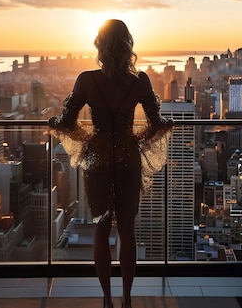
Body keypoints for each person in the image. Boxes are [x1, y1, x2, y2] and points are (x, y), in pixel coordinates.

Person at [48, 19, 173, 308]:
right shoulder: (140, 81)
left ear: (100, 46)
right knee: (127, 229)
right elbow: (156, 124)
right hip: (129, 157)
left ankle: (106, 298)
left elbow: (67, 122)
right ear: (127, 45)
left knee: (102, 229)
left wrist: (52, 122)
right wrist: (137, 138)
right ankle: (127, 298)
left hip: (98, 160)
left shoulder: (86, 80)